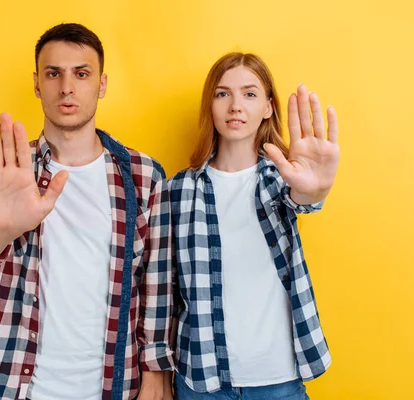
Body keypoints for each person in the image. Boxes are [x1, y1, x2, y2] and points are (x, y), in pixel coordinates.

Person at [0, 23, 175, 400]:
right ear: (37, 84)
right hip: (23, 386)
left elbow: (157, 280)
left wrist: (156, 374)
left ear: (101, 84)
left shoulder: (143, 175)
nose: (67, 87)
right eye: (53, 73)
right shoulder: (8, 169)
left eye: (81, 73)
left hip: (116, 385)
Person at [168, 52, 339, 399]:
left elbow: (302, 197)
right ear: (210, 105)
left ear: (268, 107)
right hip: (201, 379)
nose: (235, 106)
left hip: (279, 380)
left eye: (249, 94)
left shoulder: (281, 180)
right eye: (222, 94)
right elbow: (164, 289)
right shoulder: (178, 189)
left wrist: (315, 188)